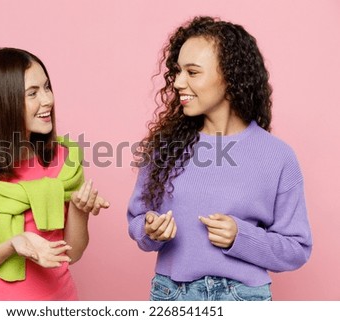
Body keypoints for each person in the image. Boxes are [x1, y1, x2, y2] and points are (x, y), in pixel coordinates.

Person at [127, 16, 312, 301]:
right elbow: (137, 220)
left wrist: (242, 237)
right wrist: (151, 230)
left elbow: (297, 248)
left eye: (192, 72)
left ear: (229, 75)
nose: (177, 82)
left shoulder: (277, 157)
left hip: (243, 298)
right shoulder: (165, 148)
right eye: (177, 71)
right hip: (173, 295)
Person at [0, 47, 109, 300]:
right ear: (2, 102)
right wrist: (11, 246)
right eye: (32, 93)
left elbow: (72, 254)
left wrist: (80, 210)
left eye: (47, 87)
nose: (47, 100)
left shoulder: (63, 161)